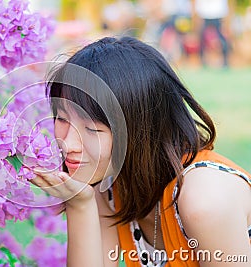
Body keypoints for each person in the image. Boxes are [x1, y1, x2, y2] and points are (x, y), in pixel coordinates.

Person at [31, 36, 251, 267]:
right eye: (62, 119)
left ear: (141, 129)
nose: (69, 144)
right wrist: (79, 204)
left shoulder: (205, 201)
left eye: (92, 129)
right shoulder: (110, 187)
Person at [194, 0, 231, 67]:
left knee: (223, 39)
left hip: (218, 16)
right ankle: (202, 60)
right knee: (201, 39)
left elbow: (225, 6)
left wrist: (225, 23)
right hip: (204, 15)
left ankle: (225, 61)